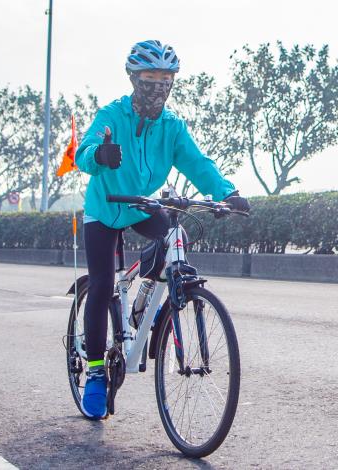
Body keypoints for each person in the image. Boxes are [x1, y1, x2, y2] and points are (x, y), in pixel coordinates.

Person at [74, 40, 250, 420]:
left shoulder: (172, 127)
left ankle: (147, 304)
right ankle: (94, 374)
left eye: (166, 78)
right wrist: (99, 156)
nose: (158, 85)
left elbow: (196, 163)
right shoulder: (112, 115)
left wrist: (226, 192)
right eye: (150, 77)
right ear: (134, 79)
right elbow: (83, 152)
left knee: (176, 236)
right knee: (103, 285)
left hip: (139, 203)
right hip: (105, 208)